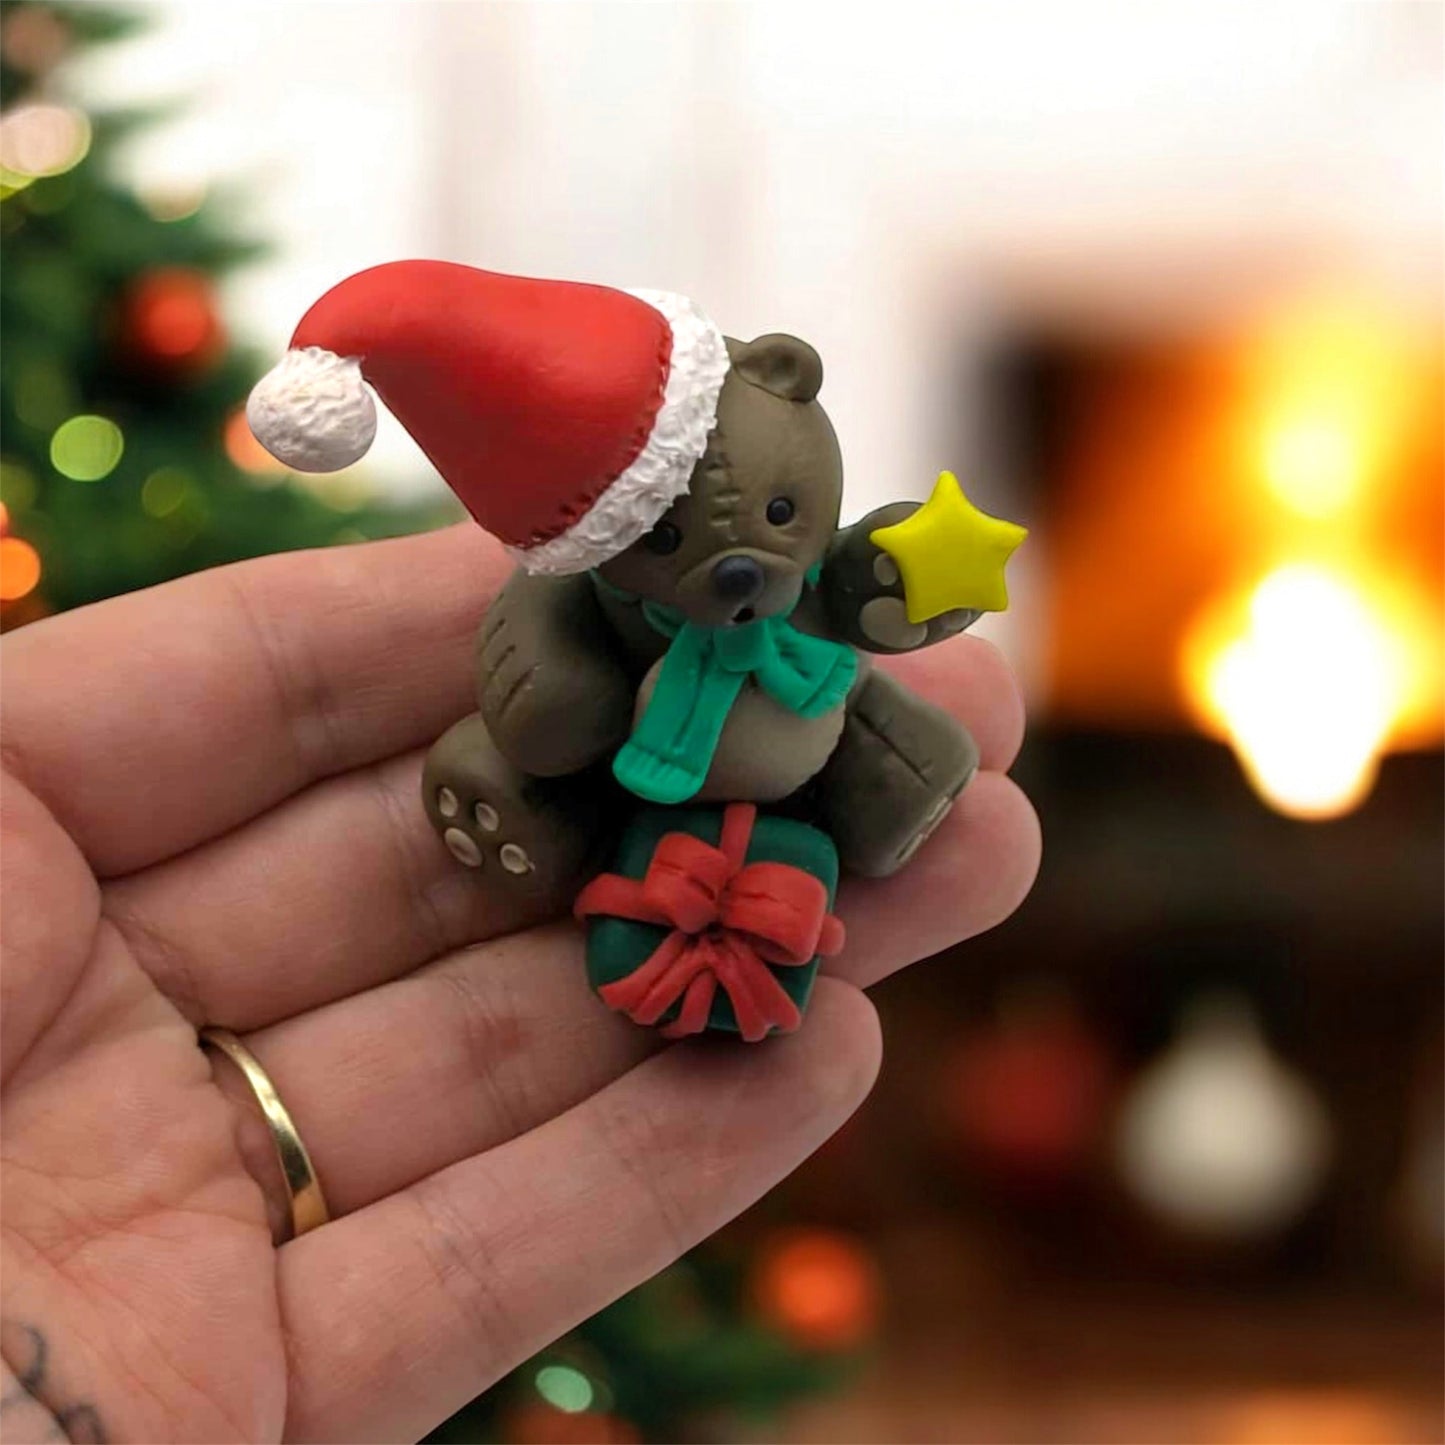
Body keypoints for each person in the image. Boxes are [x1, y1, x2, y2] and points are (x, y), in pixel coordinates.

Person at [0, 523, 1039, 1444]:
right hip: (635, 803)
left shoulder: (804, 619)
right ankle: (527, 816)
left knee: (858, 800)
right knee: (558, 771)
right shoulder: (602, 597)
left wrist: (914, 568)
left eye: (773, 513)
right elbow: (556, 657)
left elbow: (870, 579)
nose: (732, 552)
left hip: (770, 815)